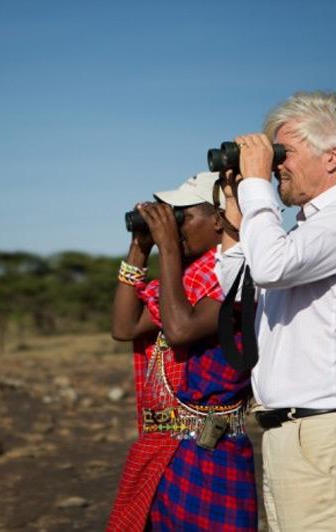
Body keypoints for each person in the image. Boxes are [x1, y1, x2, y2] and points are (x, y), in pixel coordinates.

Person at [217, 91, 336, 531]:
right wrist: (235, 208)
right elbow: (238, 289)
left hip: (323, 434)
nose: (277, 164)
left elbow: (272, 266)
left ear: (334, 156)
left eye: (285, 152)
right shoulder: (308, 228)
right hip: (293, 434)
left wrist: (258, 184)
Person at [107, 171, 258, 532]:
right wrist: (140, 248)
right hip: (169, 449)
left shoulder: (237, 277)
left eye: (184, 217)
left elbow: (180, 329)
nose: (176, 228)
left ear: (220, 220)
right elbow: (124, 328)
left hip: (213, 452)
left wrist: (169, 250)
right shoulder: (186, 281)